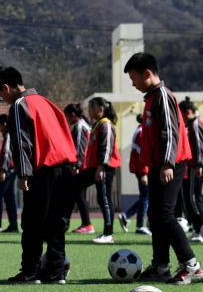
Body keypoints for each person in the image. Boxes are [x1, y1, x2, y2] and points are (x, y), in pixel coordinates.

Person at [123, 53, 203, 285]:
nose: (133, 84)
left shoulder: (162, 95)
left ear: (147, 74)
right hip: (158, 164)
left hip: (170, 164)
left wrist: (168, 163)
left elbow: (170, 131)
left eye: (134, 78)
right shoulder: (151, 98)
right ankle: (160, 265)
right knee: (155, 214)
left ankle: (191, 265)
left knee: (164, 214)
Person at [0, 66, 77, 284]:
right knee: (56, 223)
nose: (2, 99)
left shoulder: (19, 105)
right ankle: (57, 272)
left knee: (32, 223)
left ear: (5, 88)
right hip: (66, 167)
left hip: (43, 170)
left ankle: (30, 272)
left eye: (0, 95)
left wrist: (23, 174)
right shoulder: (47, 102)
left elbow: (22, 143)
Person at [75, 97, 120, 244]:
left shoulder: (106, 124)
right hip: (94, 167)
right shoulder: (97, 124)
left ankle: (108, 234)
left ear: (101, 108)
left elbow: (106, 148)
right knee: (76, 185)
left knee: (104, 198)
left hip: (104, 167)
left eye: (92, 108)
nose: (89, 111)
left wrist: (101, 167)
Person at [178, 98, 203, 243]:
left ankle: (201, 230)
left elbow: (199, 145)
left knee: (193, 199)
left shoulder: (196, 124)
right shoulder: (192, 124)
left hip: (197, 165)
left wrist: (198, 164)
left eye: (181, 114)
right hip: (195, 165)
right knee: (192, 198)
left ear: (187, 112)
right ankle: (200, 229)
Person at [62, 103, 94, 234]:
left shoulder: (80, 126)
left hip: (82, 166)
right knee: (75, 193)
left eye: (67, 116)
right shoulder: (83, 125)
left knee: (78, 194)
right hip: (84, 165)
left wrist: (76, 165)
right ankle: (66, 221)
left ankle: (87, 224)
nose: (67, 120)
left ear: (73, 115)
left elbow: (79, 147)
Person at [118, 114, 151, 235]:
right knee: (145, 197)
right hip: (142, 171)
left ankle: (127, 216)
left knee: (145, 197)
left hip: (140, 170)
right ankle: (139, 226)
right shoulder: (142, 133)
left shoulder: (140, 131)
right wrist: (144, 173)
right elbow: (141, 155)